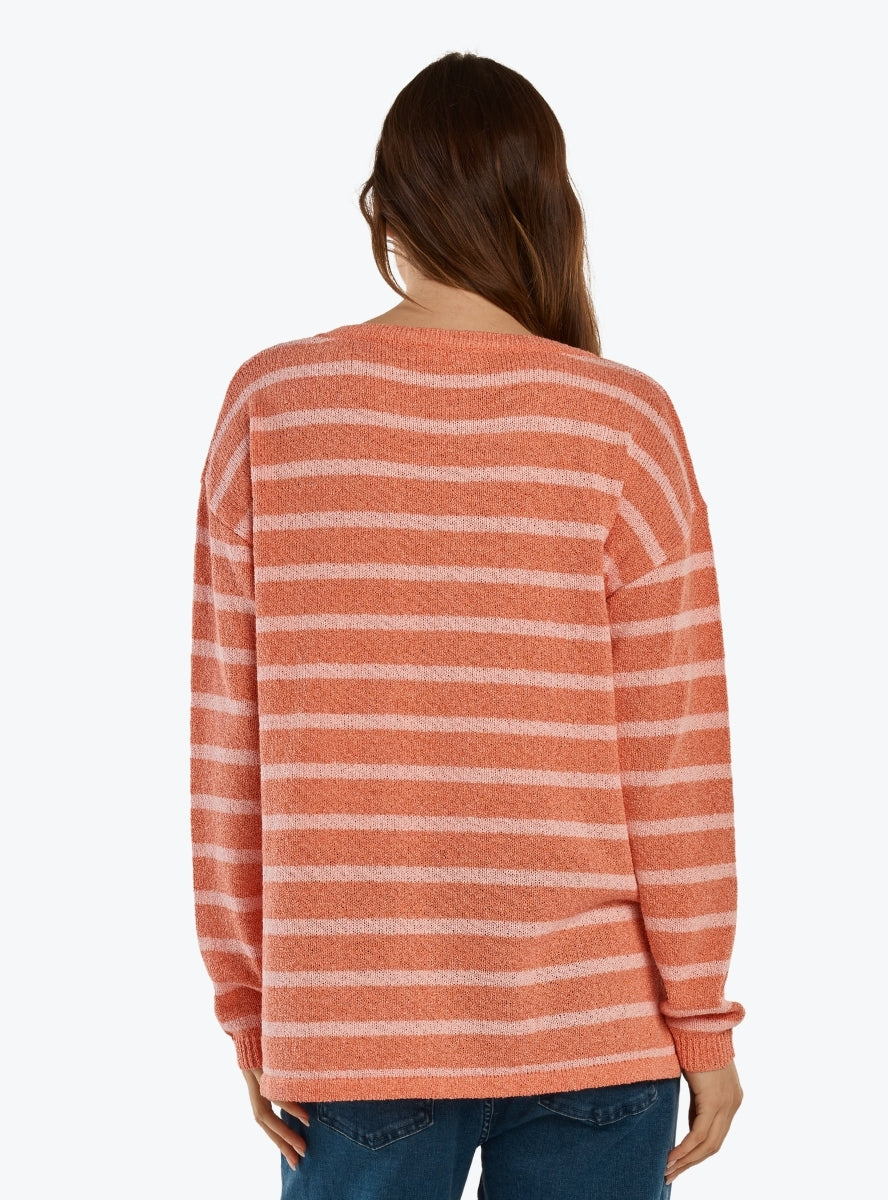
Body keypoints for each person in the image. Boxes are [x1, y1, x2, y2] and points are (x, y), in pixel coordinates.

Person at [190, 51, 744, 1200]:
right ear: (550, 208)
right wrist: (702, 1020)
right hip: (599, 1029)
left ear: (383, 208)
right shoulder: (624, 424)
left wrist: (253, 1006)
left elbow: (228, 744)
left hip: (356, 1025)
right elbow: (676, 764)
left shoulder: (274, 408)